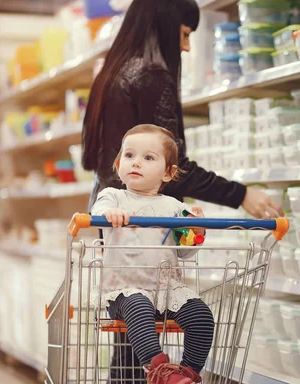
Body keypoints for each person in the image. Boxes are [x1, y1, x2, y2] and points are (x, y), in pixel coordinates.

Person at [81, 0, 282, 219]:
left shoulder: (112, 72)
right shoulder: (151, 76)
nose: (186, 47)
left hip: (110, 213)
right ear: (165, 26)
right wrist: (240, 194)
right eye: (185, 34)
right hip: (143, 219)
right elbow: (173, 166)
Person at [91, 124, 215, 384]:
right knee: (139, 304)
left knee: (201, 315)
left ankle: (186, 373)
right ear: (117, 163)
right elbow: (97, 213)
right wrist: (109, 215)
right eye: (129, 155)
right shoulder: (113, 197)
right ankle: (159, 372)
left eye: (148, 158)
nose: (136, 162)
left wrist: (195, 230)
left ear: (168, 173)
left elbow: (183, 253)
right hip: (124, 292)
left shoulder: (173, 207)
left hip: (165, 290)